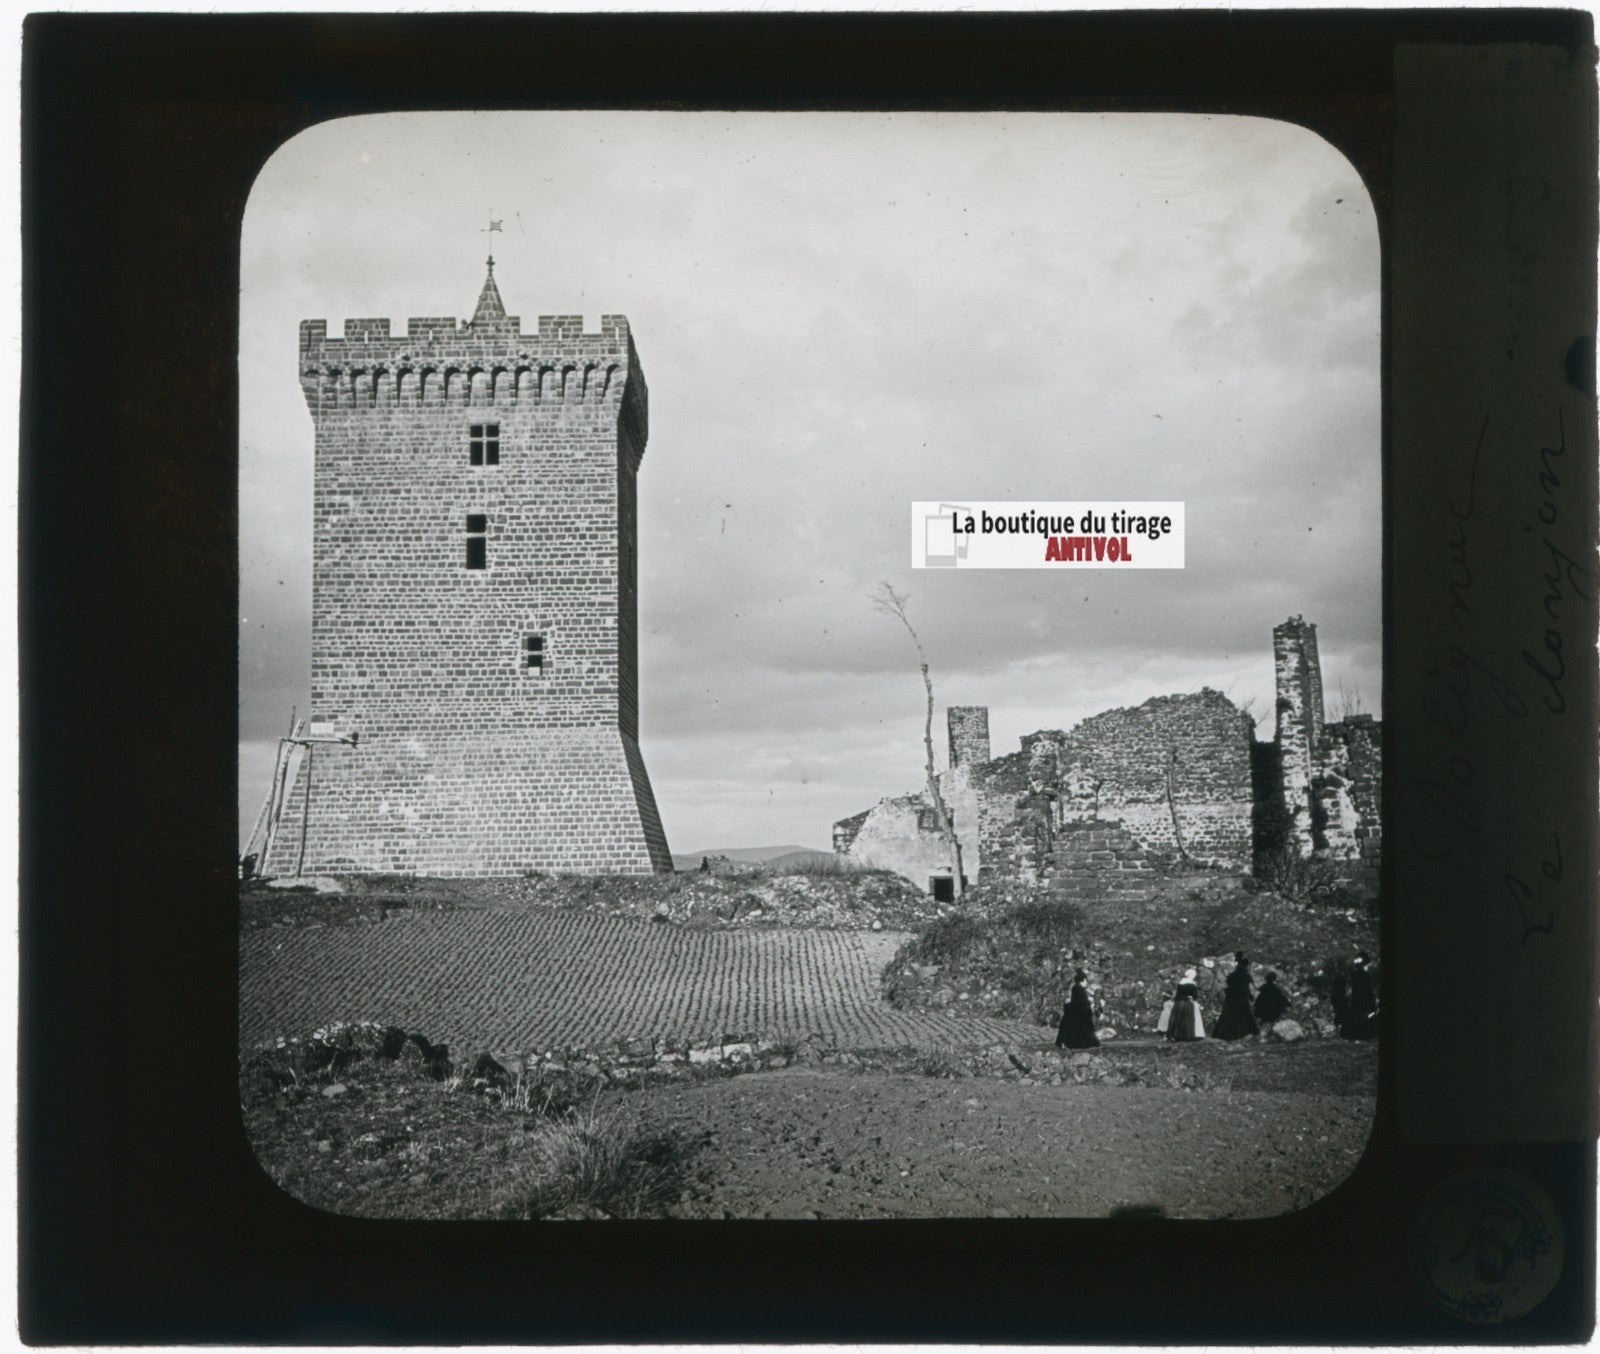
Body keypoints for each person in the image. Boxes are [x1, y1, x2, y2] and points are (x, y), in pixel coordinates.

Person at [1213, 950, 1259, 1040]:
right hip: (1241, 996)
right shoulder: (1245, 975)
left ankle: (1228, 1033)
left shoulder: (1233, 975)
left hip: (1232, 996)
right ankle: (1242, 1032)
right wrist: (1250, 995)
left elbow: (1229, 983)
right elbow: (1246, 987)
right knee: (1243, 1013)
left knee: (1229, 1013)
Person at [1055, 969, 1100, 1049]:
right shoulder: (1080, 989)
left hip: (1076, 1010)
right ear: (1083, 980)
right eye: (1086, 980)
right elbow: (1083, 1002)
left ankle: (1068, 1044)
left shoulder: (1075, 987)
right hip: (1080, 1012)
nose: (1086, 982)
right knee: (1081, 1029)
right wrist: (1089, 1008)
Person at [1343, 951, 1378, 1039]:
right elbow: (1368, 989)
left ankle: (1357, 1033)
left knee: (1358, 1016)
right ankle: (1364, 1033)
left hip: (1357, 999)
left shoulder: (1355, 975)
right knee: (1364, 1015)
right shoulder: (1365, 975)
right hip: (1363, 998)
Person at [1165, 968, 1205, 1042]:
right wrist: (1191, 998)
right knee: (1187, 1019)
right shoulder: (1192, 984)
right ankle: (1186, 1036)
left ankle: (1175, 1035)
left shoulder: (1180, 983)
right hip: (1187, 1003)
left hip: (1179, 1003)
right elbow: (1195, 996)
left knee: (1177, 1018)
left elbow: (1178, 994)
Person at [1253, 970, 1290, 1034]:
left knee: (1263, 1021)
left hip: (1263, 1009)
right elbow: (1281, 998)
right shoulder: (1275, 989)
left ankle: (1261, 1030)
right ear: (1274, 979)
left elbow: (1258, 999)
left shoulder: (1264, 988)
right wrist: (1287, 1004)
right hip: (1271, 1010)